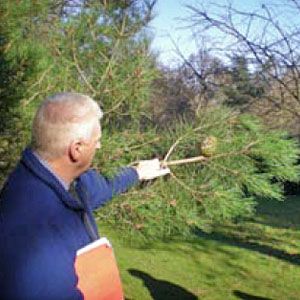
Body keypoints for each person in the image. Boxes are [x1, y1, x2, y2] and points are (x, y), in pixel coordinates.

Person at [0, 92, 170, 300]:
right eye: (96, 140)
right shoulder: (39, 233)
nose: (99, 146)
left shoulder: (60, 179)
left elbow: (104, 185)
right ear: (77, 149)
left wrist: (138, 172)